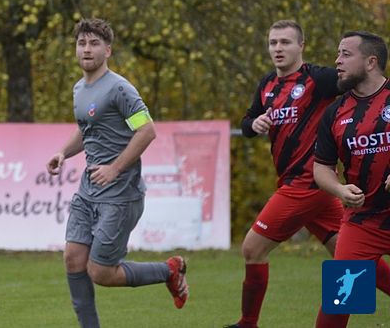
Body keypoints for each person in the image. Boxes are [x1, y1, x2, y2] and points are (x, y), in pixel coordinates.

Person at [225, 20, 389, 327]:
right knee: (347, 273)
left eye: (285, 42)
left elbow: (352, 82)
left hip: (304, 187)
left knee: (252, 248)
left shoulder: (318, 79)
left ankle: (248, 322)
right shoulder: (270, 85)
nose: (278, 48)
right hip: (341, 199)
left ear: (301, 46)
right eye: (273, 42)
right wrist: (253, 124)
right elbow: (248, 121)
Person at [46, 18, 187, 328]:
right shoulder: (79, 89)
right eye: (82, 43)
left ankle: (169, 270)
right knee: (72, 258)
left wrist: (115, 168)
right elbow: (87, 130)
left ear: (107, 50)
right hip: (88, 191)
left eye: (94, 43)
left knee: (101, 273)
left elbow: (146, 131)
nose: (87, 49)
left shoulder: (119, 89)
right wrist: (63, 153)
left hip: (120, 194)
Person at [314, 30, 390, 328]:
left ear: (371, 62)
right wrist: (338, 189)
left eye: (346, 54)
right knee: (340, 301)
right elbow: (321, 168)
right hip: (363, 220)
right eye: (338, 54)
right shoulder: (334, 112)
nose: (337, 61)